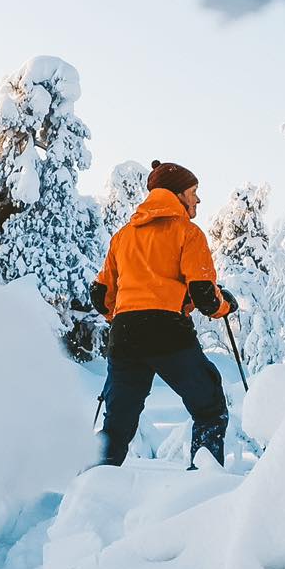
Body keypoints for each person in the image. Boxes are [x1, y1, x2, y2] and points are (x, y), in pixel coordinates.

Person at [91, 160, 237, 468]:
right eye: (193, 191)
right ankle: (204, 484)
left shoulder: (123, 236)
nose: (197, 199)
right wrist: (226, 305)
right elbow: (205, 297)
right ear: (178, 194)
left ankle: (90, 491)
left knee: (116, 425)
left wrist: (126, 316)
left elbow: (101, 297)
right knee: (209, 407)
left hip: (125, 335)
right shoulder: (188, 232)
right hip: (168, 333)